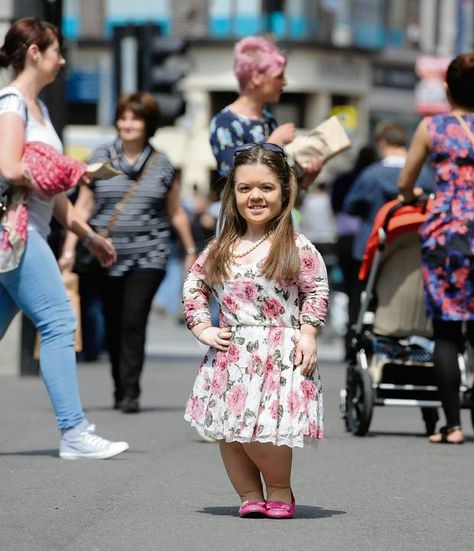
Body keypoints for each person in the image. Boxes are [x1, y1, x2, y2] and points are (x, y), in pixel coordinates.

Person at [0, 17, 129, 459]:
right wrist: (74, 170)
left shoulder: (40, 109)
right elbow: (10, 168)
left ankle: (75, 432)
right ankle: (73, 432)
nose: (62, 59)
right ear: (35, 52)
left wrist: (87, 235)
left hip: (25, 231)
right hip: (15, 232)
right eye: (56, 50)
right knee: (58, 323)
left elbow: (51, 192)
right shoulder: (11, 103)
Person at [182, 143, 329, 518]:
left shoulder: (297, 246)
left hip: (280, 351)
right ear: (232, 193)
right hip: (231, 352)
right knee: (230, 431)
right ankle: (249, 493)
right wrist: (202, 326)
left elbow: (316, 290)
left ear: (284, 191)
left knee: (267, 430)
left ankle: (280, 489)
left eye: (266, 187)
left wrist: (309, 334)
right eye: (245, 188)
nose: (255, 196)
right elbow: (194, 286)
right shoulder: (221, 247)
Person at [61, 92, 197, 414]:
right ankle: (119, 385)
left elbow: (175, 211)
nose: (128, 124)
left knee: (134, 319)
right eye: (123, 117)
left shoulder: (162, 163)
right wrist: (68, 249)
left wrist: (191, 249)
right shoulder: (101, 157)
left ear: (148, 123)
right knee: (113, 321)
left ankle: (130, 392)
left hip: (150, 254)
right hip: (106, 255)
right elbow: (83, 204)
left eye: (135, 118)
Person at [397, 52, 474, 445]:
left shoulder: (434, 127)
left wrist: (414, 195)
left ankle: (453, 425)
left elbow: (406, 181)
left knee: (446, 332)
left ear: (447, 89)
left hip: (448, 235)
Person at [342, 122, 436, 358]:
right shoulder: (424, 175)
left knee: (362, 300)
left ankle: (356, 346)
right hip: (415, 246)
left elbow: (350, 205)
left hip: (372, 245)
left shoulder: (371, 174)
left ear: (382, 142)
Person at [210, 36, 322, 190]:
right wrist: (274, 143)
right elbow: (235, 178)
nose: (284, 82)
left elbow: (278, 183)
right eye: (279, 76)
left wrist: (306, 178)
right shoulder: (224, 122)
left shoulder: (268, 121)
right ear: (256, 77)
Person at [330, 145, 378, 358]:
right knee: (374, 293)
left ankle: (351, 346)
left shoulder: (343, 180)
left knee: (352, 294)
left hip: (346, 239)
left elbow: (336, 206)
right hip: (371, 240)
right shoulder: (375, 180)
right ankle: (370, 343)